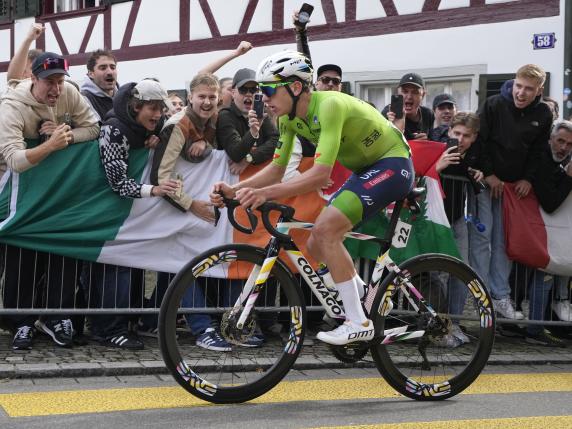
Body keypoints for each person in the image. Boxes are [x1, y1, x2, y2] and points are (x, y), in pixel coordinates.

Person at [211, 51, 413, 346]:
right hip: (366, 169)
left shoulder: (328, 105)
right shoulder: (288, 119)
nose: (263, 98)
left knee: (326, 230)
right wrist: (234, 190)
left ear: (295, 88)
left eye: (269, 90)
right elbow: (277, 169)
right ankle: (366, 297)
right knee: (316, 242)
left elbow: (319, 175)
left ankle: (358, 321)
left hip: (393, 163)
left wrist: (261, 194)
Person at [0, 51, 99, 349]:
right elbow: (15, 160)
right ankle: (21, 322)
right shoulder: (11, 107)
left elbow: (93, 127)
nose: (56, 89)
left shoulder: (68, 92)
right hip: (23, 193)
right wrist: (51, 146)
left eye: (60, 81)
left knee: (62, 249)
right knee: (24, 253)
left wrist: (64, 135)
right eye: (49, 82)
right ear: (33, 77)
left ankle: (57, 317)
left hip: (59, 192)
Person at [93, 79, 179, 349]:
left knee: (130, 268)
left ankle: (124, 323)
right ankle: (108, 329)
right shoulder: (113, 129)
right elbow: (117, 181)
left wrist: (147, 141)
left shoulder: (136, 127)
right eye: (152, 109)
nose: (158, 115)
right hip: (105, 212)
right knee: (114, 270)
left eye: (160, 109)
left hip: (124, 214)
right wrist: (154, 190)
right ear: (136, 106)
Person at [470, 64, 553, 320]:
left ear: (538, 90)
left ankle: (500, 295)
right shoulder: (494, 104)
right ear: (513, 82)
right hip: (487, 182)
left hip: (515, 188)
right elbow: (480, 140)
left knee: (505, 242)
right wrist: (490, 173)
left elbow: (539, 150)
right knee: (483, 239)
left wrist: (528, 178)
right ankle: (479, 295)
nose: (521, 93)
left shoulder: (543, 113)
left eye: (528, 89)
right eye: (518, 86)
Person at [434, 112, 484, 347]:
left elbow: (476, 182)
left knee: (461, 272)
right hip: (435, 219)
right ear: (449, 132)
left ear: (474, 137)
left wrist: (477, 173)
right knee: (437, 274)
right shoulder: (438, 149)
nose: (461, 139)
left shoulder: (472, 155)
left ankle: (454, 323)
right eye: (457, 134)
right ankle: (438, 326)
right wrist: (439, 166)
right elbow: (421, 176)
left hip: (457, 219)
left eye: (466, 135)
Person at [524, 120, 572, 346]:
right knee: (544, 276)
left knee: (551, 275)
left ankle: (542, 326)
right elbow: (551, 201)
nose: (563, 147)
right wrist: (569, 177)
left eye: (569, 144)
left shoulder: (565, 159)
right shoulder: (541, 160)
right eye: (560, 141)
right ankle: (534, 329)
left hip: (557, 230)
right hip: (540, 227)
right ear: (551, 139)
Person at [216, 68, 278, 175]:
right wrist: (253, 132)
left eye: (253, 89)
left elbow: (276, 140)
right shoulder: (225, 116)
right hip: (231, 179)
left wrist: (249, 159)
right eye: (243, 89)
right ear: (233, 92)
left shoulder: (261, 113)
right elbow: (236, 154)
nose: (249, 94)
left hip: (259, 178)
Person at [381, 73, 434, 140]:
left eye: (415, 92)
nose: (409, 97)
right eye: (405, 91)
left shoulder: (428, 114)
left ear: (423, 95)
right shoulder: (389, 113)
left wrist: (426, 141)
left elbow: (434, 141)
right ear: (398, 93)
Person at [80, 49, 118, 121]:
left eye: (113, 67)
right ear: (91, 74)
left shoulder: (125, 96)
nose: (109, 72)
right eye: (103, 68)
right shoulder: (84, 99)